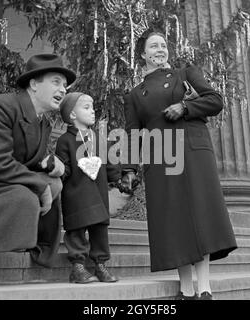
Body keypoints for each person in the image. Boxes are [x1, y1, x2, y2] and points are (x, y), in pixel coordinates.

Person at [121, 29, 237, 300]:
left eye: (163, 45)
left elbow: (215, 100)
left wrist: (185, 108)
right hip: (160, 158)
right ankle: (186, 288)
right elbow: (132, 134)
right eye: (153, 46)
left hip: (193, 152)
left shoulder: (186, 74)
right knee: (174, 220)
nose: (160, 50)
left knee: (200, 213)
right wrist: (128, 169)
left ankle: (205, 287)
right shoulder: (134, 95)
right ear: (142, 54)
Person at [0, 53, 76, 288]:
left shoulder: (43, 122)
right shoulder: (0, 106)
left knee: (54, 184)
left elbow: (32, 161)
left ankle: (29, 241)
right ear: (34, 84)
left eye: (65, 85)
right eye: (56, 82)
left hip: (5, 180)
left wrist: (53, 165)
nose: (63, 90)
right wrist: (39, 185)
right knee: (24, 196)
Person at [56, 92, 120, 284]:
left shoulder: (98, 139)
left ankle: (100, 265)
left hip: (98, 194)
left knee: (100, 229)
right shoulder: (65, 140)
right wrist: (57, 169)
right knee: (76, 230)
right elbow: (65, 167)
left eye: (92, 107)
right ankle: (78, 267)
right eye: (86, 107)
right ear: (72, 115)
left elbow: (109, 164)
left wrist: (118, 179)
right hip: (76, 193)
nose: (92, 111)